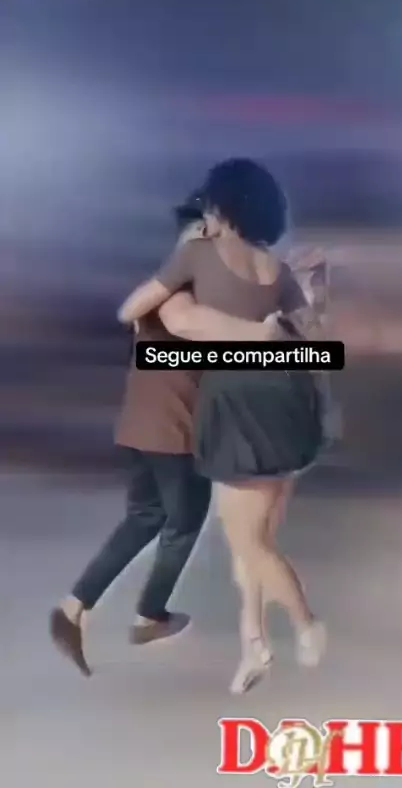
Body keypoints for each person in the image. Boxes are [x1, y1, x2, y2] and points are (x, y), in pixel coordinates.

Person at [118, 159, 328, 694]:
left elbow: (135, 310)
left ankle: (306, 624)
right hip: (289, 403)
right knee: (256, 536)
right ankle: (254, 642)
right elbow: (310, 333)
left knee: (249, 542)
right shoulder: (277, 268)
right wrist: (305, 299)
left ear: (221, 208)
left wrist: (159, 302)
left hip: (238, 406)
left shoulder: (196, 253)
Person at [49, 197, 278, 676]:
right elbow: (196, 332)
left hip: (140, 425)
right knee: (185, 519)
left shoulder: (166, 287)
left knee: (145, 516)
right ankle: (150, 616)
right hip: (172, 432)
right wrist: (262, 334)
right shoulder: (182, 294)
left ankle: (73, 608)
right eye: (207, 235)